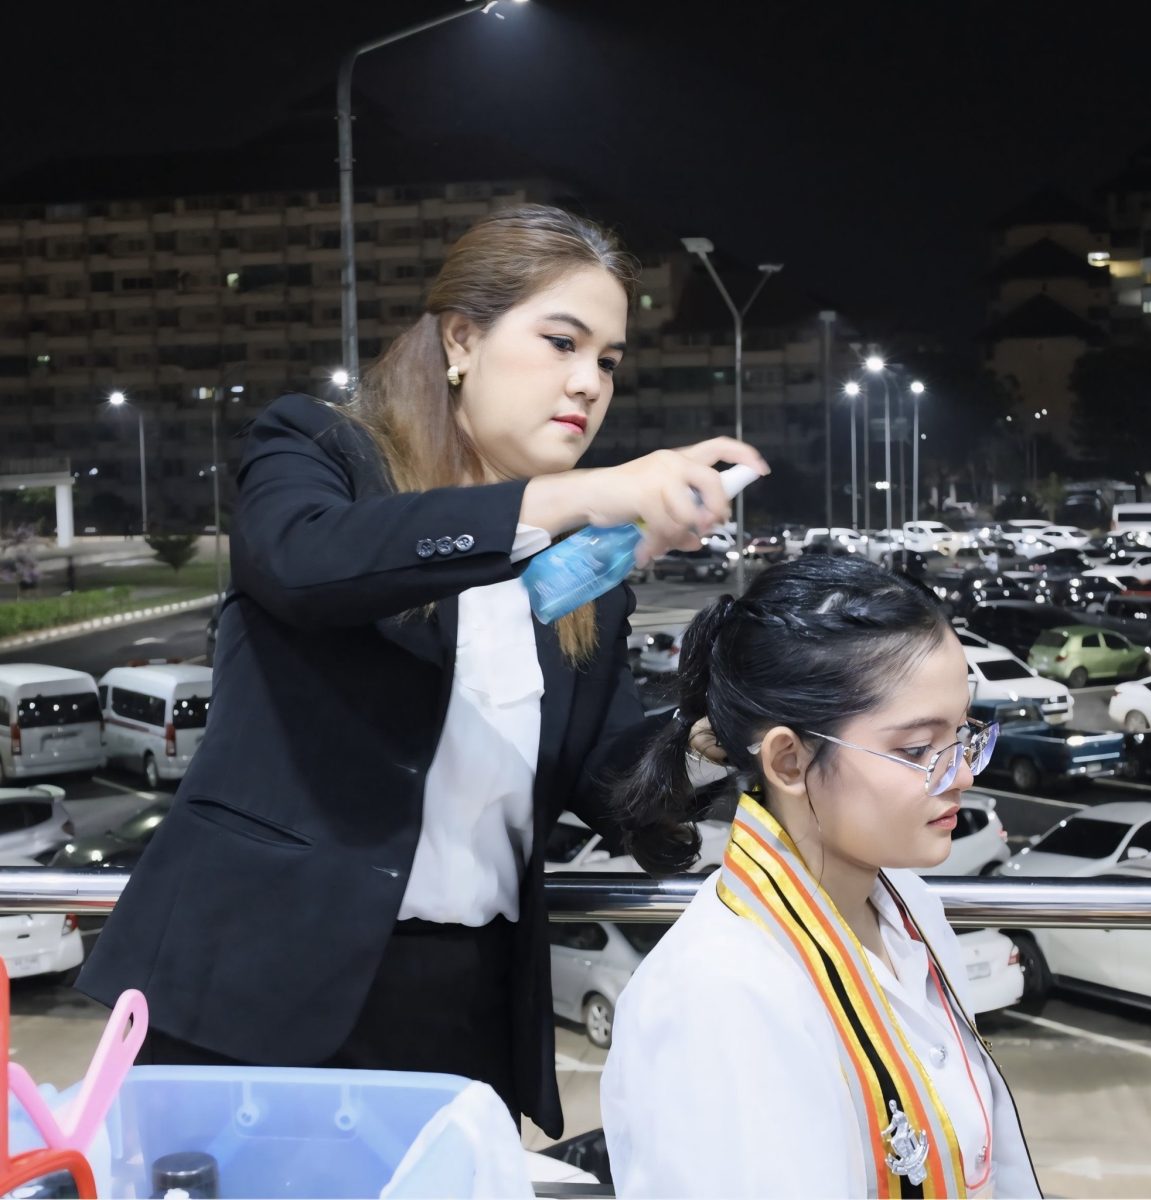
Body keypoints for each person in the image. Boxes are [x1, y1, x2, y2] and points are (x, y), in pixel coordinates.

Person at [77, 205, 768, 1138]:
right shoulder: (322, 453)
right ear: (461, 340)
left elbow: (609, 780)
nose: (588, 382)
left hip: (462, 1007)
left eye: (608, 360)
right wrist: (578, 495)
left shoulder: (587, 586)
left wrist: (723, 735)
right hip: (255, 991)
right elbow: (304, 564)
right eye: (561, 342)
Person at [601, 555, 1041, 1197]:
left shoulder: (906, 905)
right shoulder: (719, 999)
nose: (964, 773)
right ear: (788, 760)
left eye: (964, 732)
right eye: (917, 749)